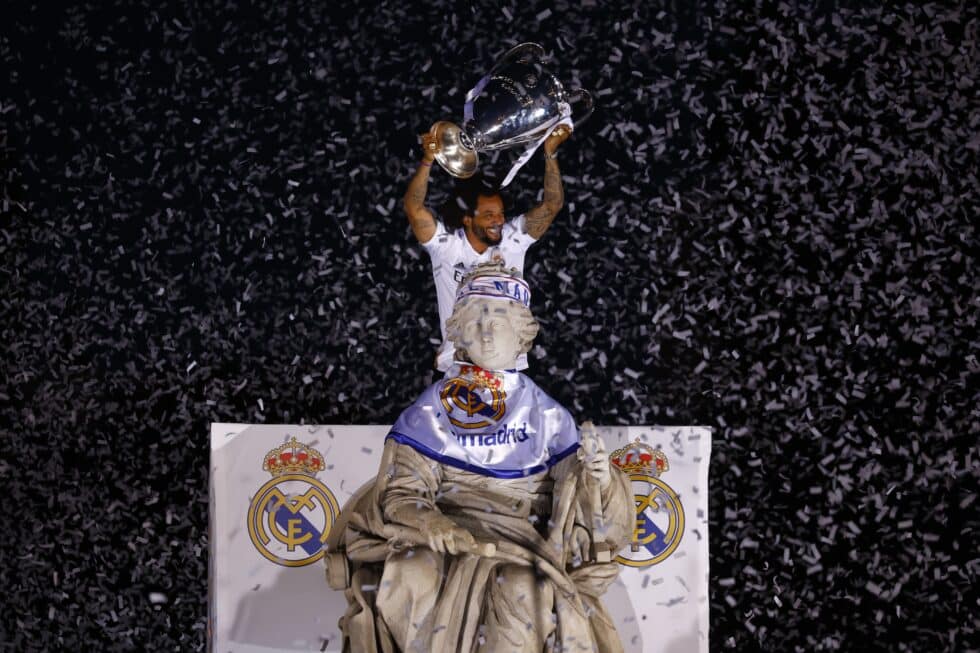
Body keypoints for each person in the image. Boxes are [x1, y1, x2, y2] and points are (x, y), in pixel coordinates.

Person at [324, 263, 633, 653]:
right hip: (443, 538)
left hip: (521, 543)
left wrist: (600, 479)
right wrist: (432, 523)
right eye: (477, 318)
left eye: (500, 318)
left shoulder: (548, 416)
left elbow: (584, 509)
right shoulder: (429, 412)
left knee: (522, 587)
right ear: (460, 332)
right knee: (411, 571)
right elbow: (402, 494)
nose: (488, 330)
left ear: (522, 334)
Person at [403, 125, 571, 372]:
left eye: (501, 213)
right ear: (467, 218)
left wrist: (550, 153)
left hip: (508, 366)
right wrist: (428, 160)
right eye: (489, 214)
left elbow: (552, 204)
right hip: (460, 366)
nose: (499, 220)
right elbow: (414, 208)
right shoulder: (448, 248)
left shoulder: (513, 240)